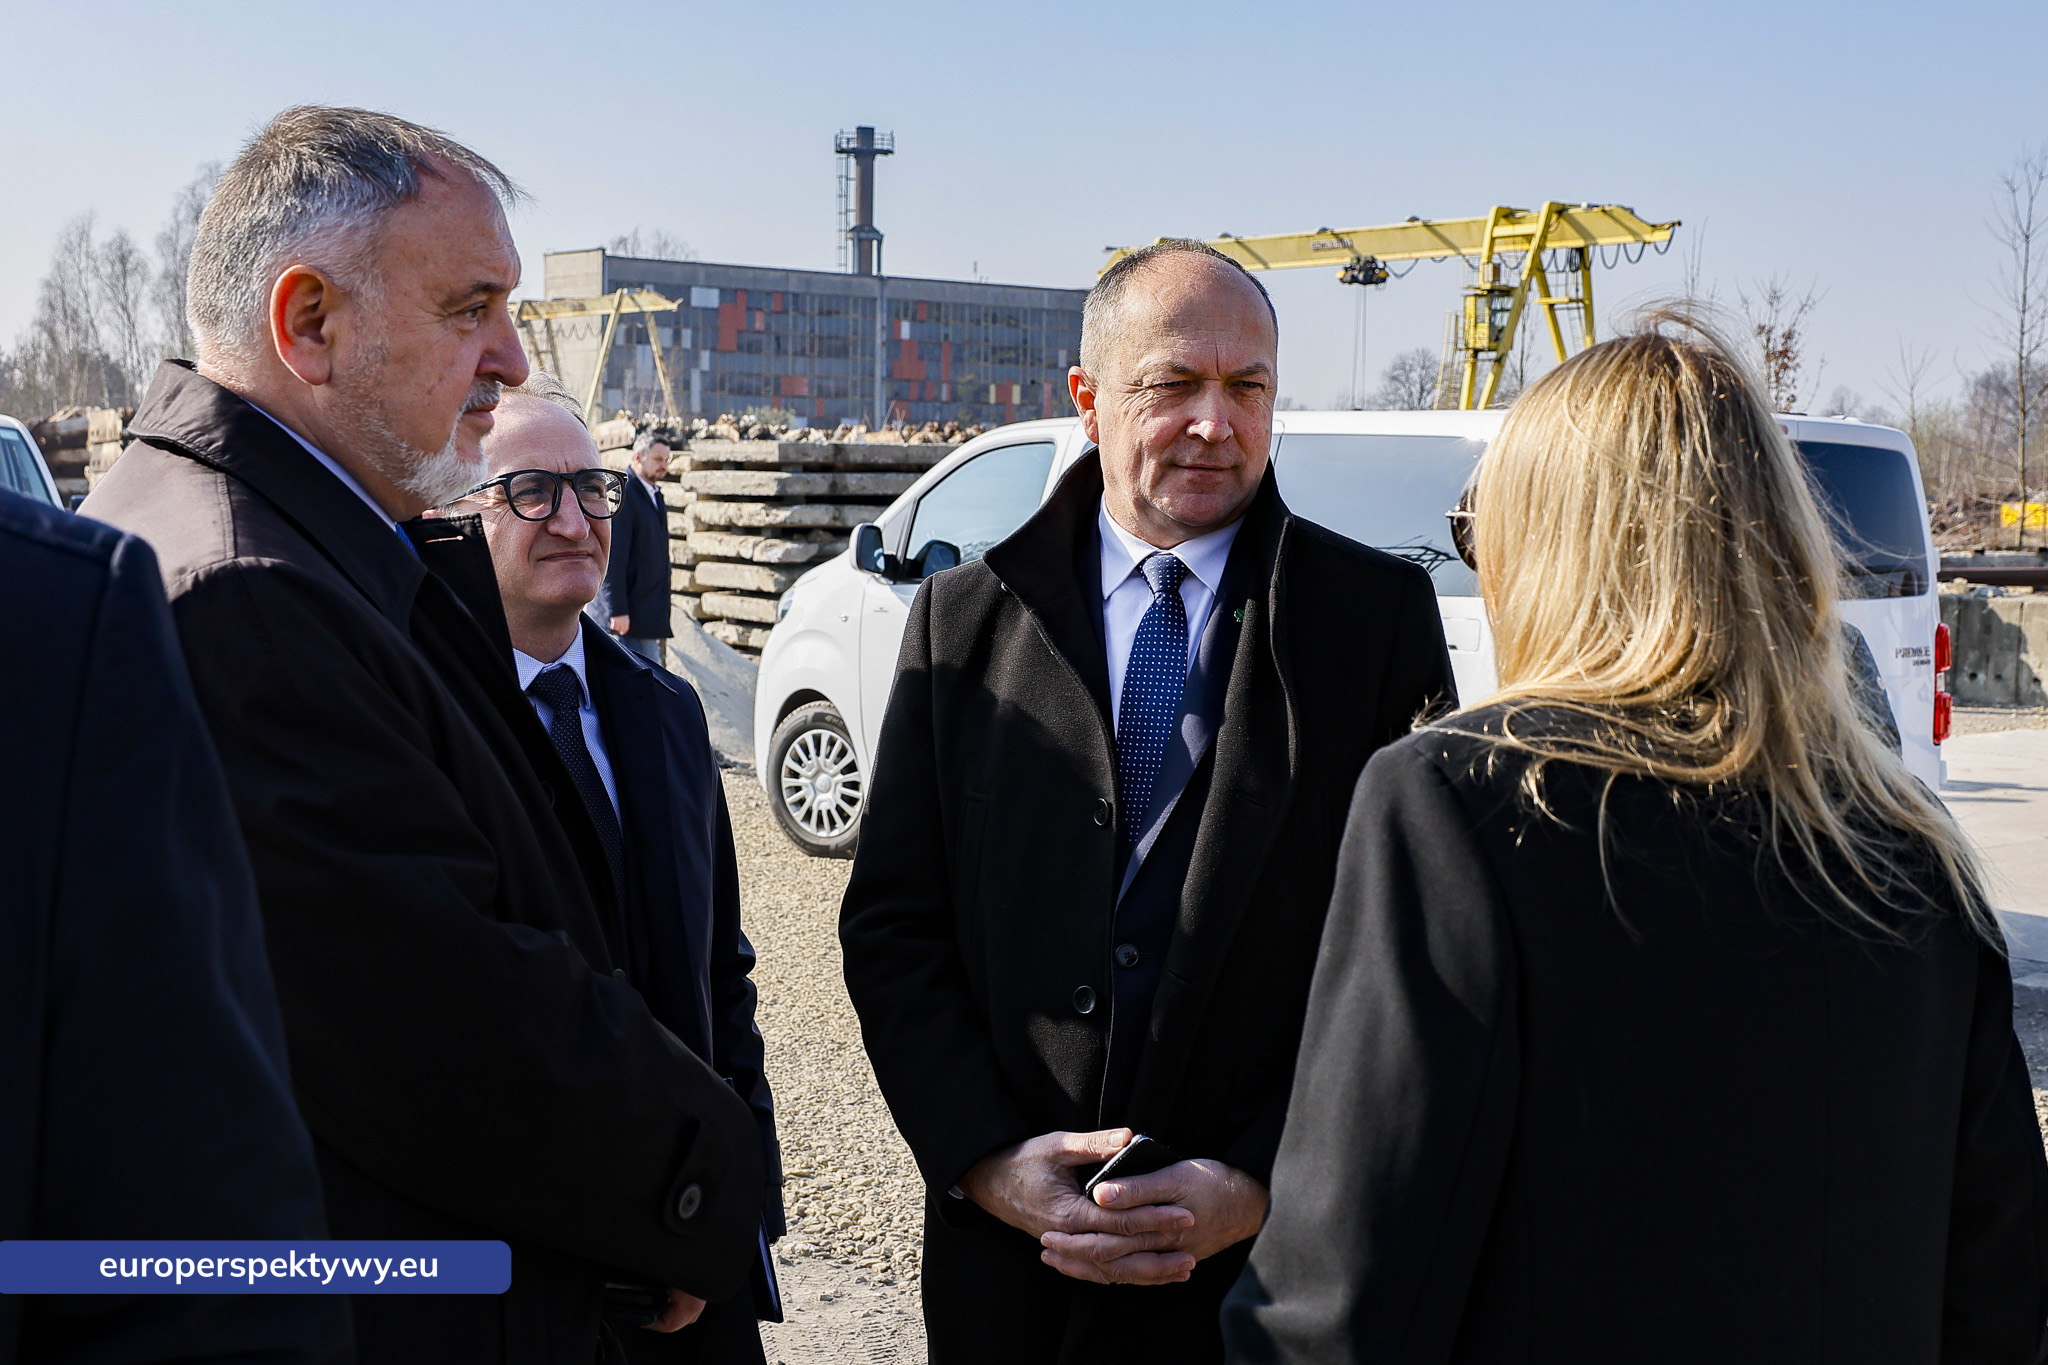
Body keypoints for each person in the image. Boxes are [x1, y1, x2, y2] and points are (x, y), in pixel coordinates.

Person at [1221, 316, 2048, 1363]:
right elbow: (1996, 1296)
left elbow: (1341, 1297)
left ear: (1545, 542)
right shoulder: (1907, 849)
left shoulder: (1455, 802)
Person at [80, 106, 762, 1364]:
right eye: (471, 307)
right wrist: (698, 1192)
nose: (509, 359)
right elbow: (449, 1027)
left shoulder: (301, 549)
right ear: (310, 326)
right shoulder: (248, 594)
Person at [838, 239, 1457, 1362]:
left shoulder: (1372, 624)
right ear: (1085, 397)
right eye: (1172, 384)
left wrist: (1261, 1180)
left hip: (1258, 1287)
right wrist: (984, 1160)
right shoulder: (963, 624)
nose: (1215, 424)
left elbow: (1405, 963)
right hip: (1011, 1280)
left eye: (1247, 387)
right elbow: (893, 929)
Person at [461, 373, 784, 1362]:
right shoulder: (437, 730)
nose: (572, 519)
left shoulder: (665, 711)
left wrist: (742, 1205)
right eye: (530, 492)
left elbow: (718, 976)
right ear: (454, 516)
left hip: (695, 1258)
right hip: (537, 1272)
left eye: (590, 488)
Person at [0, 489, 350, 1364]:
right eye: (534, 491)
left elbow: (193, 1268)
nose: (506, 357)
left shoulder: (51, 617)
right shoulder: (208, 588)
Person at [605, 433, 672, 664]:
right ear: (638, 457)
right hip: (628, 616)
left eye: (666, 460)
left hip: (646, 611)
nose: (664, 465)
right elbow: (614, 556)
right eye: (658, 459)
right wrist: (617, 610)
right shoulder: (623, 493)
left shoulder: (654, 494)